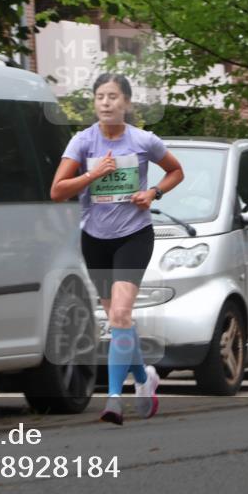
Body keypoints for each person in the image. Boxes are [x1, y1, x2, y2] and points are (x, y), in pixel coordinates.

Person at [51, 74, 184, 425]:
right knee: (118, 320)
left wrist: (153, 193)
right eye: (100, 97)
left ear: (126, 102)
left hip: (133, 236)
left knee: (121, 315)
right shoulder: (82, 141)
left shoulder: (143, 141)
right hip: (95, 240)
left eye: (112, 96)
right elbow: (57, 190)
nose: (106, 103)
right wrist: (93, 175)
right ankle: (143, 377)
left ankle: (113, 398)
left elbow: (175, 171)